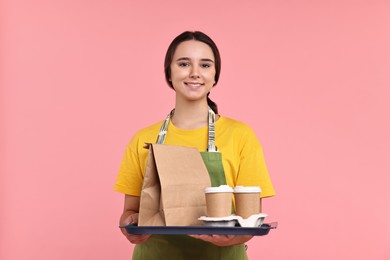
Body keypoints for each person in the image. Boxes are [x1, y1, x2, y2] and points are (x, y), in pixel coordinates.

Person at [114, 31, 275, 260]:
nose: (195, 73)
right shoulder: (143, 139)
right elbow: (129, 213)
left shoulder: (240, 136)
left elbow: (250, 217)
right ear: (169, 72)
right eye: (183, 63)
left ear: (215, 75)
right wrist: (130, 227)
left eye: (205, 65)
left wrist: (235, 237)